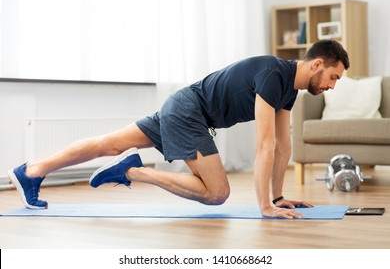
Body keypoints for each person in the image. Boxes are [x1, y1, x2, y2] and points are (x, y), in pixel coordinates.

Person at [8, 39, 349, 219]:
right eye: (333, 77)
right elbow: (264, 145)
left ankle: (32, 171)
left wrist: (276, 197)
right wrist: (265, 207)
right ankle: (135, 173)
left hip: (185, 106)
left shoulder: (289, 88)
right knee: (217, 193)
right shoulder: (274, 75)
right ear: (317, 64)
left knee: (108, 144)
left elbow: (283, 146)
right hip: (189, 111)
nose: (333, 86)